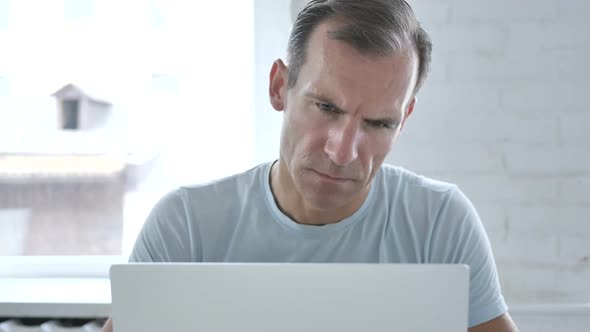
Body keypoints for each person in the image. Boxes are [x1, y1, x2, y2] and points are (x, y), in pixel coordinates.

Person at [102, 0, 519, 331]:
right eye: (325, 107)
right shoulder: (184, 226)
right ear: (280, 86)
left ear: (404, 119)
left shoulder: (439, 222)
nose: (343, 152)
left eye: (378, 123)